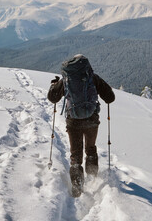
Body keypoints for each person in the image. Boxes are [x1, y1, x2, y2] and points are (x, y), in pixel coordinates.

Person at [47, 54, 115, 197]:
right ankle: (92, 180)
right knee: (90, 149)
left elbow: (52, 98)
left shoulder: (66, 79)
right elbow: (110, 97)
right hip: (92, 121)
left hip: (73, 123)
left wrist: (54, 85)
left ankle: (77, 190)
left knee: (75, 156)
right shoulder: (92, 77)